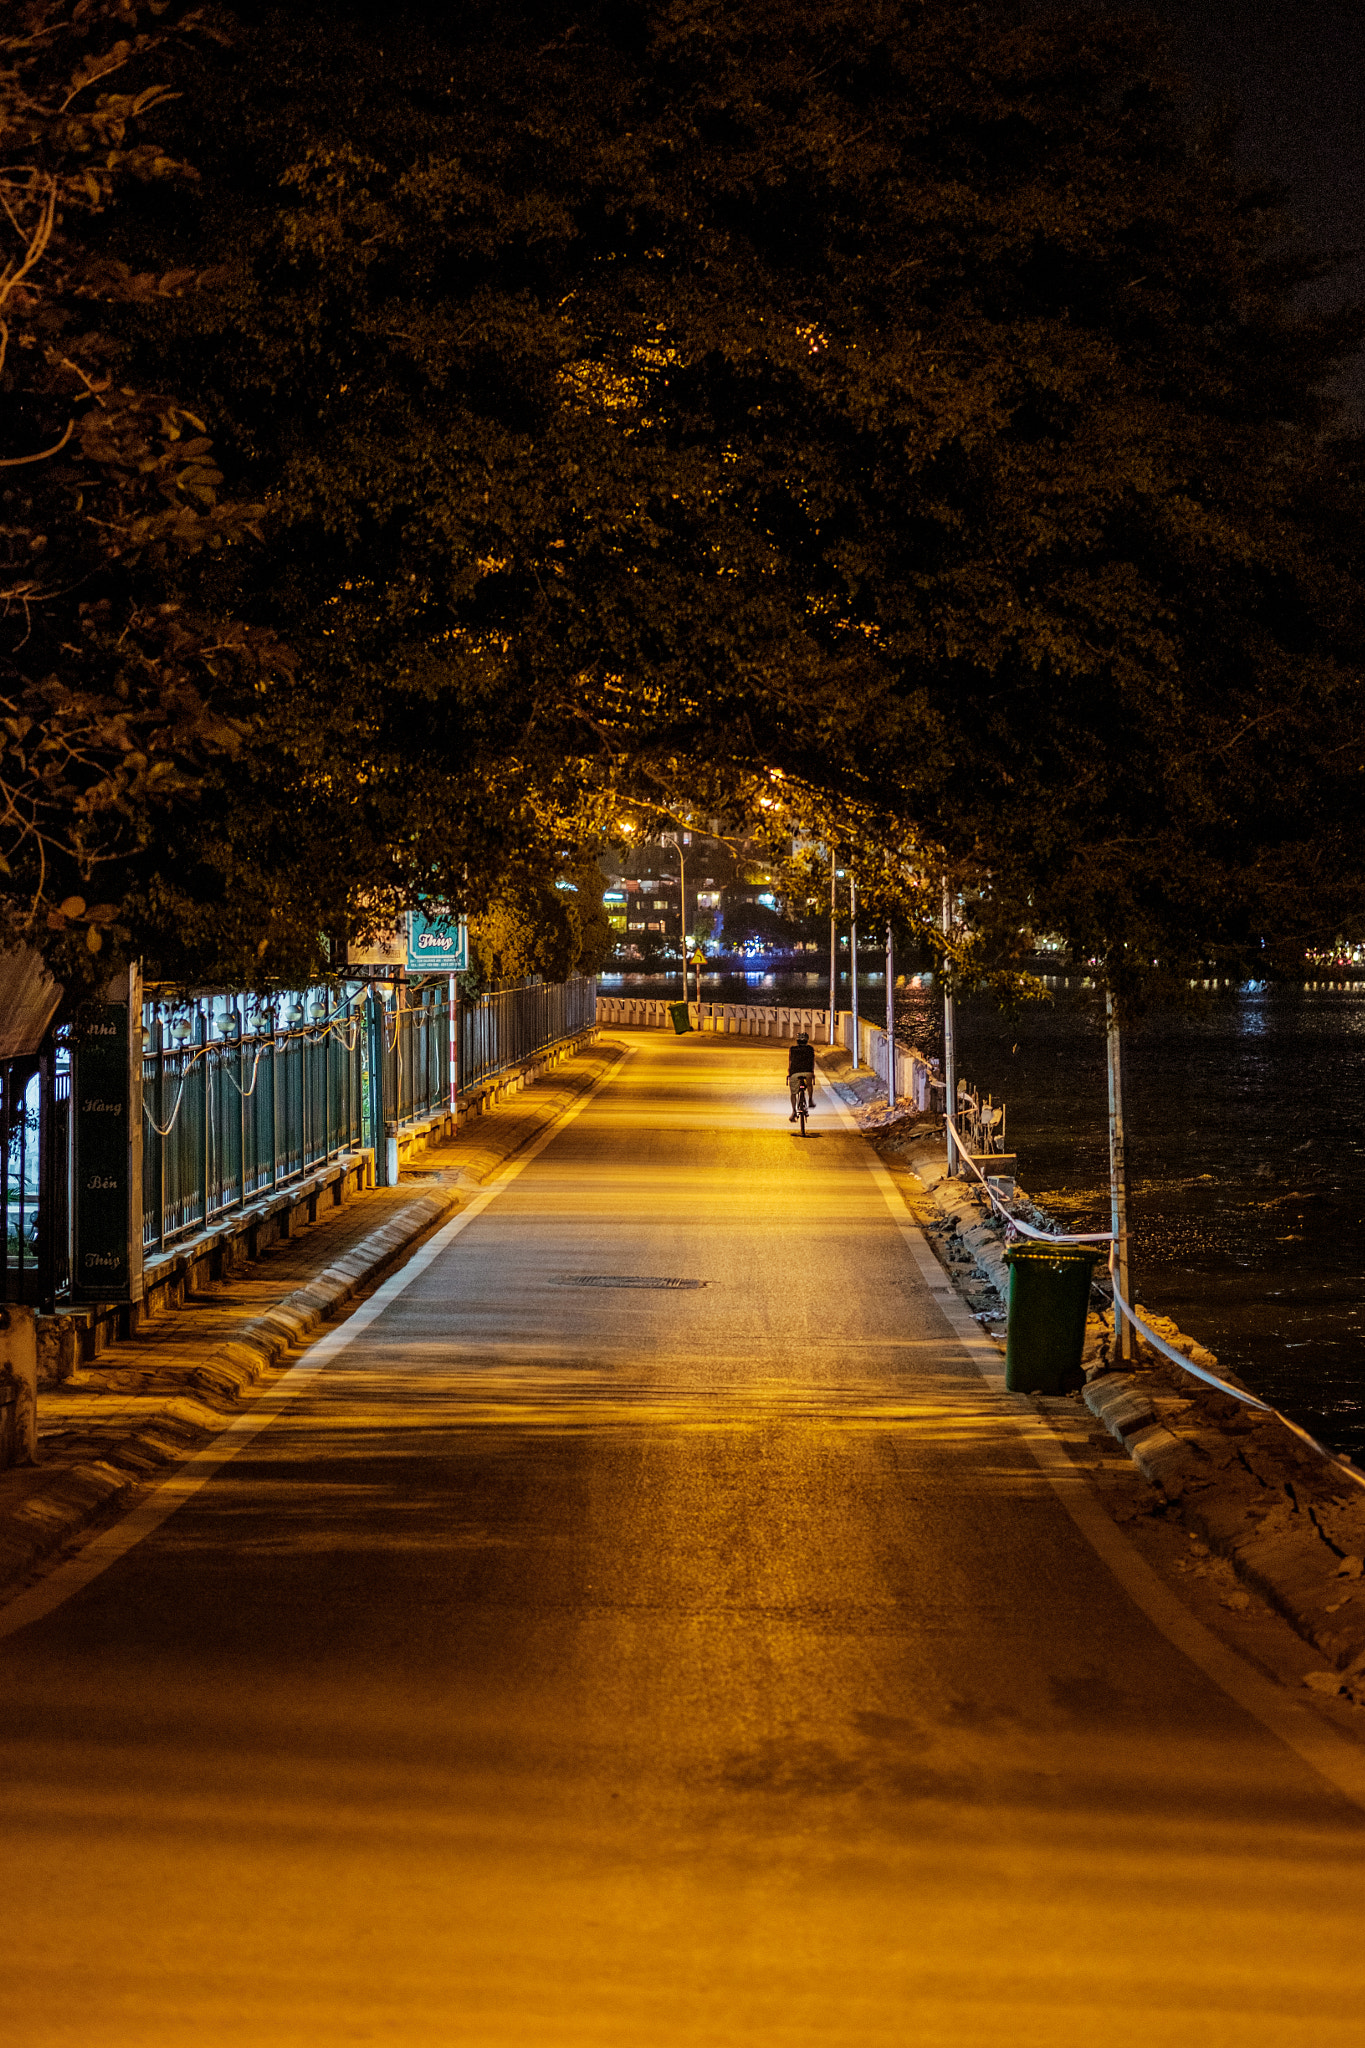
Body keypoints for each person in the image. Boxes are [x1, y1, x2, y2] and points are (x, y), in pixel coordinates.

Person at [787, 1030, 816, 1120]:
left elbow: (790, 1062)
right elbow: (812, 1062)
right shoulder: (810, 1049)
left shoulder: (792, 1049)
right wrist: (812, 1073)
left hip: (795, 1073)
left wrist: (790, 1073)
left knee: (793, 1093)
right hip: (808, 1072)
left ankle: (794, 1112)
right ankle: (810, 1099)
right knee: (809, 1084)